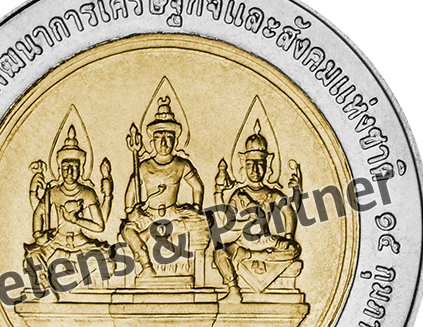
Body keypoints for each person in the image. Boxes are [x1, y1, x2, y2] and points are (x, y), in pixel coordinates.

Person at [121, 97, 206, 278]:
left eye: (169, 138)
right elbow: (131, 192)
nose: (164, 143)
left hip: (173, 213)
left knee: (202, 223)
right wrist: (131, 211)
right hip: (149, 214)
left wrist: (196, 207)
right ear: (152, 141)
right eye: (159, 138)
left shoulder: (182, 164)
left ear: (176, 140)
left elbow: (197, 187)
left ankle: (153, 232)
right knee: (127, 230)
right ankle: (146, 265)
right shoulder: (144, 166)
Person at [213, 126, 301, 302]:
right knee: (219, 253)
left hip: (266, 241)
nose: (254, 170)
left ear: (267, 165)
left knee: (294, 249)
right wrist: (218, 193)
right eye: (250, 164)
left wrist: (289, 236)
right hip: (242, 241)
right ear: (243, 165)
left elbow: (290, 212)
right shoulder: (239, 195)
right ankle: (233, 290)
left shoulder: (272, 194)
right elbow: (226, 222)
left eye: (259, 164)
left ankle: (251, 256)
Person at [24, 126, 112, 298]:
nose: (70, 172)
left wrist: (75, 220)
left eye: (74, 167)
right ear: (59, 169)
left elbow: (99, 226)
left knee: (107, 263)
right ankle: (47, 290)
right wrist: (38, 235)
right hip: (56, 241)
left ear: (81, 169)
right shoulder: (52, 192)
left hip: (80, 242)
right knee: (32, 257)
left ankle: (68, 286)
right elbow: (38, 213)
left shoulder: (87, 193)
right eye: (65, 168)